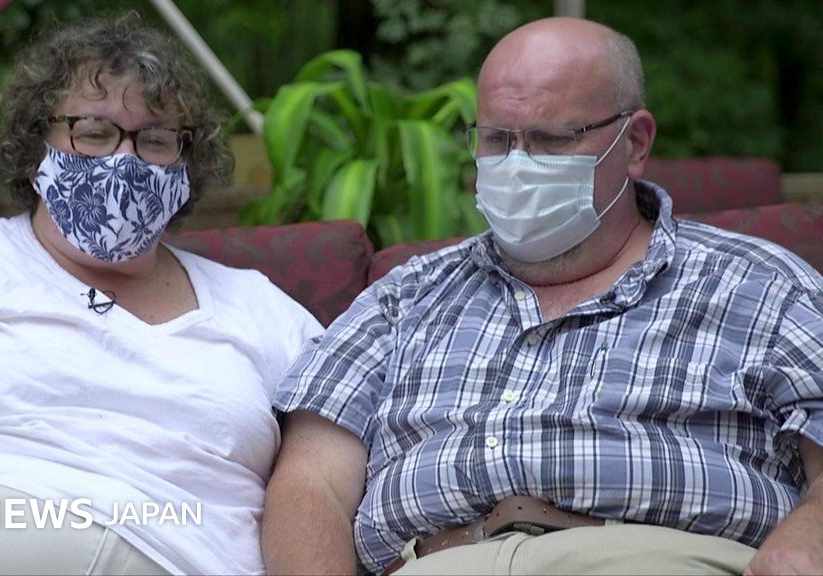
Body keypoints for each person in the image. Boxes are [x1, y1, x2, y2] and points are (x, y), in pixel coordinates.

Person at [263, 16, 823, 576]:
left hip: (651, 560)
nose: (517, 164)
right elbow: (310, 483)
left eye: (551, 139)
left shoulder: (763, 286)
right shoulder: (403, 299)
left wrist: (808, 536)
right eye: (496, 140)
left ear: (634, 142)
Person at [0, 13, 322, 576]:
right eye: (93, 132)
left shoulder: (265, 313)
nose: (125, 161)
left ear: (187, 165)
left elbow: (330, 482)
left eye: (155, 139)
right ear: (35, 147)